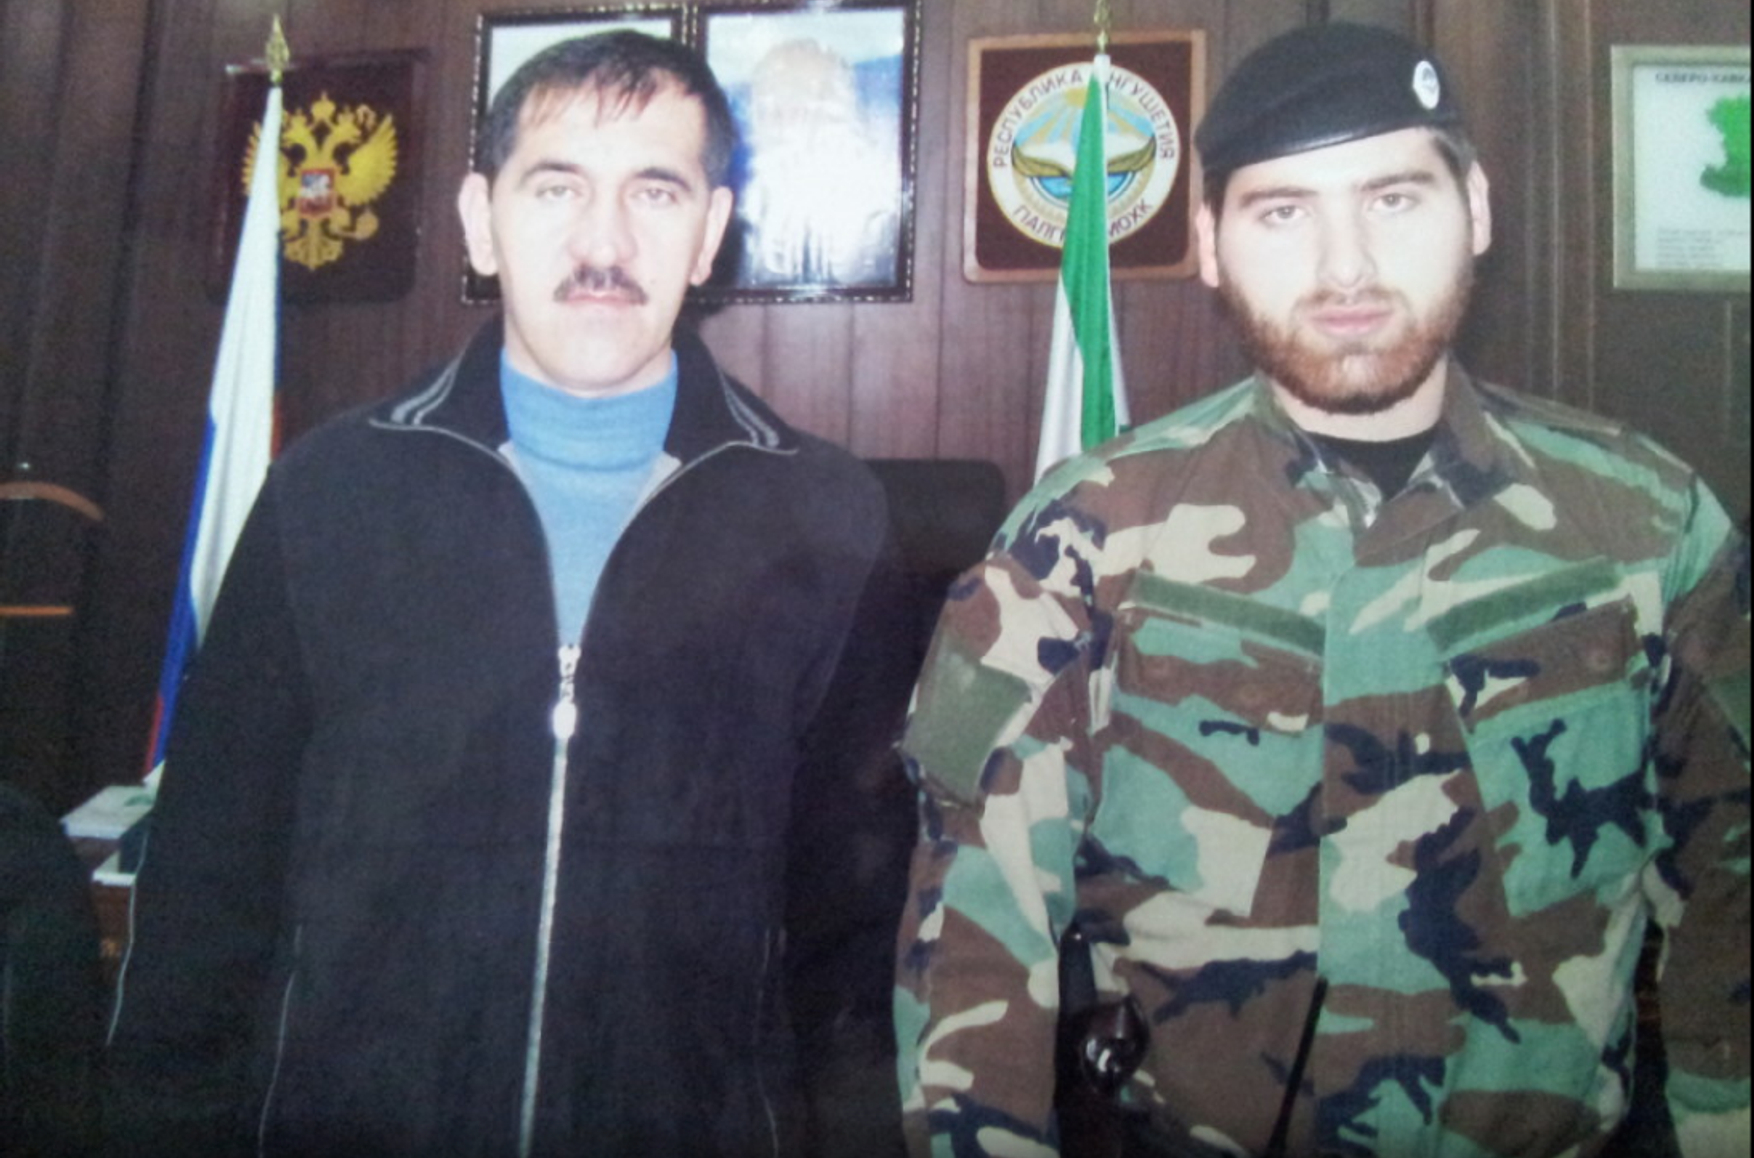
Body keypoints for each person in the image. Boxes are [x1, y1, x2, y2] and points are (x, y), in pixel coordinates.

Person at [894, 22, 1749, 1158]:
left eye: (1392, 198)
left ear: (1475, 209)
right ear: (1210, 243)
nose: (1345, 268)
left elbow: (1732, 889)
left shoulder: (1647, 524)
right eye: (1282, 212)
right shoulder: (1083, 541)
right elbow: (974, 931)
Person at [106, 31, 911, 1158]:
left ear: (709, 234)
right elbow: (206, 889)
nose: (603, 243)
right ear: (481, 221)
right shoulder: (328, 494)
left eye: (655, 191)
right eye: (556, 187)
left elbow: (854, 929)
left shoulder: (828, 521)